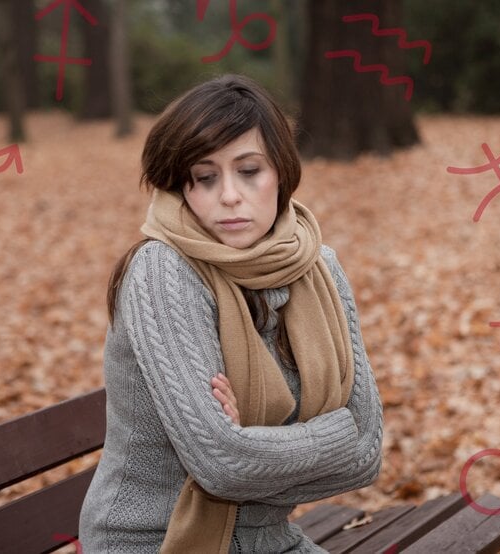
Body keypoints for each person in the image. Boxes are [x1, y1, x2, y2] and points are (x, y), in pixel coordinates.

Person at [79, 74, 383, 553]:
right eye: (205, 177)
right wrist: (330, 433)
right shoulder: (162, 271)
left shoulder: (318, 267)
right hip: (152, 543)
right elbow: (222, 466)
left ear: (281, 172)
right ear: (181, 188)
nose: (229, 196)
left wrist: (251, 440)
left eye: (249, 170)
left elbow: (365, 455)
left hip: (269, 538)